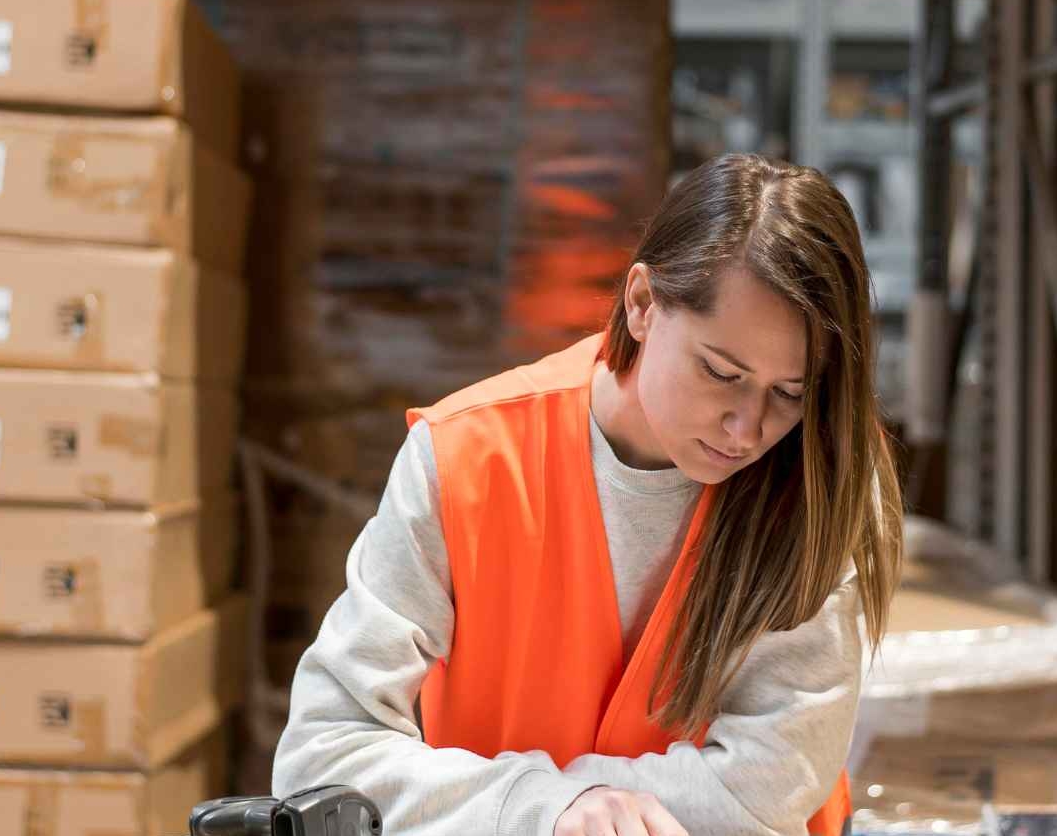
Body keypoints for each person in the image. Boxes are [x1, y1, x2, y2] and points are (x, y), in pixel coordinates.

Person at [272, 153, 905, 836]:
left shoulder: (821, 475)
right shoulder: (466, 461)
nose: (750, 428)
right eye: (721, 373)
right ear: (641, 304)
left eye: (791, 393)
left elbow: (767, 785)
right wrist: (543, 809)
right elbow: (321, 756)